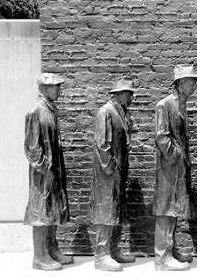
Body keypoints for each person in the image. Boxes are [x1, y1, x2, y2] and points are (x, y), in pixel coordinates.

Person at [153, 64, 197, 271]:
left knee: (174, 208)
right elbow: (161, 137)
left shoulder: (182, 105)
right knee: (165, 210)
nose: (195, 86)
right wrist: (177, 156)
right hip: (168, 167)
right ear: (181, 84)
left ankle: (170, 250)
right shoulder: (164, 105)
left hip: (178, 168)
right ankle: (162, 257)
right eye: (192, 82)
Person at [24, 73, 73, 271]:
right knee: (41, 213)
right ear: (44, 89)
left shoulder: (51, 109)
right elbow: (32, 148)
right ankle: (40, 256)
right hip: (43, 173)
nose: (59, 90)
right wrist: (45, 169)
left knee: (53, 210)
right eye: (56, 87)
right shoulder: (36, 111)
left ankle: (52, 249)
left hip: (53, 170)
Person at [90, 79, 136, 271]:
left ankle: (114, 249)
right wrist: (111, 168)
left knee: (117, 210)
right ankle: (101, 255)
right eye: (127, 93)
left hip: (119, 170)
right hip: (107, 172)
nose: (131, 96)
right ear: (116, 94)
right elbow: (102, 144)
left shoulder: (122, 112)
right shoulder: (105, 112)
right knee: (105, 210)